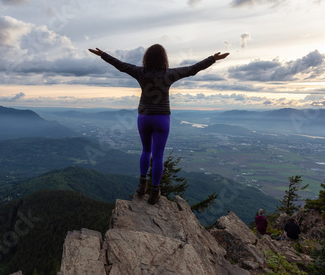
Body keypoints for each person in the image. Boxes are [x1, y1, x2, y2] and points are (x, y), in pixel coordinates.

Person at [89, 44, 229, 205]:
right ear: (164, 58)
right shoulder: (169, 74)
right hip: (162, 119)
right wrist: (213, 59)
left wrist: (103, 54)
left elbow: (120, 65)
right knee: (158, 157)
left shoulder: (140, 72)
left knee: (145, 150)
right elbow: (192, 69)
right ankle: (154, 191)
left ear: (146, 58)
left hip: (144, 117)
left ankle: (142, 185)